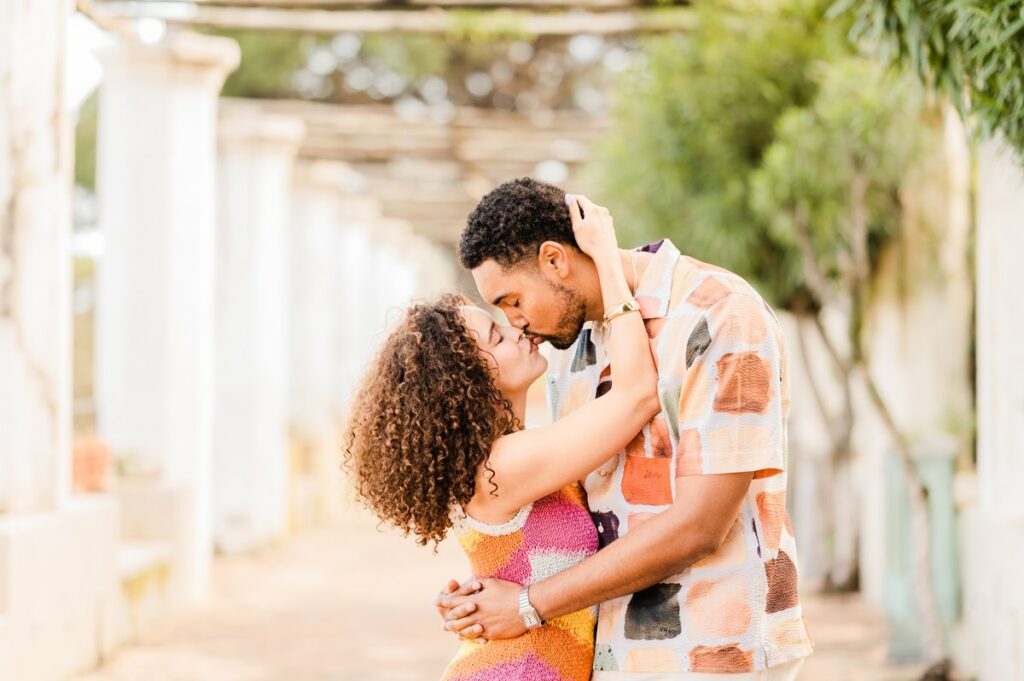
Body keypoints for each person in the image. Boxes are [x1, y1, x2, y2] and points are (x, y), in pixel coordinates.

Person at [435, 177, 813, 680]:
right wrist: (490, 586)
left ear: (555, 260)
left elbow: (701, 526)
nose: (516, 323)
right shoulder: (570, 348)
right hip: (616, 653)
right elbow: (587, 513)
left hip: (718, 649)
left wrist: (528, 602)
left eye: (512, 301)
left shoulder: (719, 313)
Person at [343, 194, 660, 680]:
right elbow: (638, 395)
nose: (517, 328)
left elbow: (524, 563)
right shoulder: (505, 465)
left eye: (509, 310)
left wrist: (471, 593)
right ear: (469, 385)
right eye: (497, 335)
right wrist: (607, 261)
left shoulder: (506, 458)